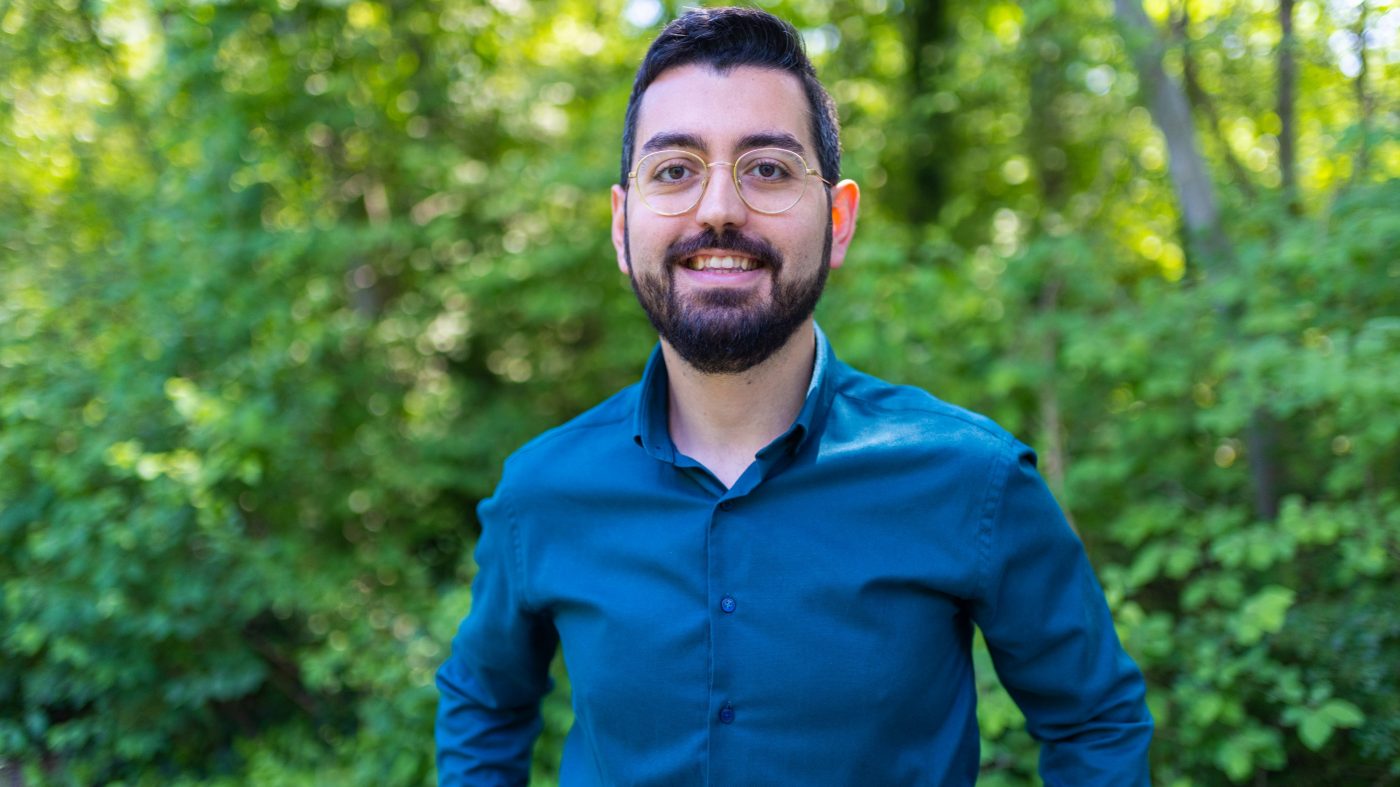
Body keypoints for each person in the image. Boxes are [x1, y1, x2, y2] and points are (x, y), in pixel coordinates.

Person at [436, 7, 1153, 785]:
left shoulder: (973, 479)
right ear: (621, 223)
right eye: (674, 169)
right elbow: (483, 701)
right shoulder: (543, 491)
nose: (718, 209)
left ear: (838, 221)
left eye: (768, 169)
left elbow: (1094, 722)